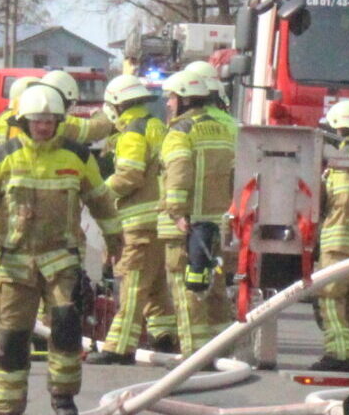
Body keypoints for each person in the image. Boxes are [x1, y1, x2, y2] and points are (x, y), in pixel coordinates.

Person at [0, 81, 122, 415]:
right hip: (15, 264)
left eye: (50, 120)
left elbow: (101, 200)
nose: (43, 126)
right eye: (37, 120)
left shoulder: (76, 157)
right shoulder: (2, 157)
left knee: (66, 327)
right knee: (12, 338)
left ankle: (63, 397)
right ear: (24, 121)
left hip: (61, 261)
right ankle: (8, 410)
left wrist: (115, 243)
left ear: (60, 120)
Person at [89, 73, 178, 364]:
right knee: (154, 286)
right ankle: (165, 337)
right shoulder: (155, 126)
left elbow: (129, 175)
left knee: (133, 283)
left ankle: (119, 347)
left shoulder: (132, 133)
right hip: (159, 221)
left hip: (139, 225)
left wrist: (98, 192)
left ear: (116, 105)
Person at [157, 61, 240, 354]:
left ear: (183, 98)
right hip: (221, 224)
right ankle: (221, 350)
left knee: (186, 288)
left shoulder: (181, 131)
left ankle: (194, 353)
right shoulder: (223, 127)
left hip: (188, 227)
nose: (168, 104)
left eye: (171, 98)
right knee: (216, 288)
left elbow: (179, 170)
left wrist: (178, 212)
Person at [311, 97, 349, 372]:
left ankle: (338, 354)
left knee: (330, 299)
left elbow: (346, 197)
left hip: (339, 242)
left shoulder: (343, 158)